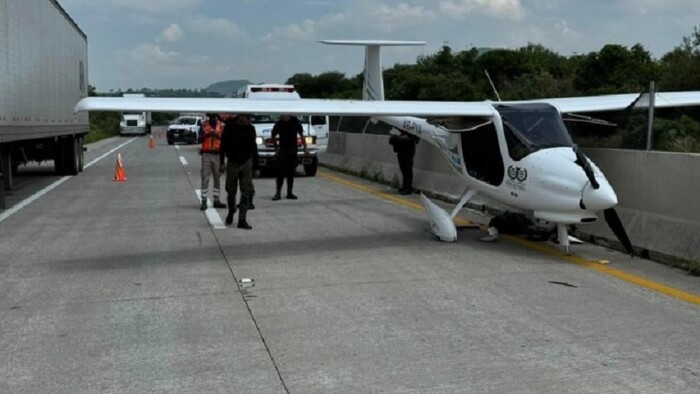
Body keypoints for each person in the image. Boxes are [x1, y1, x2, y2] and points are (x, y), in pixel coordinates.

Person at [219, 114, 260, 229]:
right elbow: (223, 144)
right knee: (231, 190)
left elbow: (254, 147)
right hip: (233, 162)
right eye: (248, 118)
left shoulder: (250, 129)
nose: (250, 120)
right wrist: (222, 162)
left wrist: (256, 166)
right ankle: (232, 210)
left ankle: (242, 219)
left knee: (245, 191)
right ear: (241, 117)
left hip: (246, 162)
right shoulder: (230, 126)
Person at [270, 115, 307, 200]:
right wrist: (276, 148)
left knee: (291, 173)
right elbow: (273, 135)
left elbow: (301, 135)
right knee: (280, 173)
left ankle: (289, 193)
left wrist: (305, 148)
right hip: (283, 151)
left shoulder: (295, 122)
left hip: (293, 151)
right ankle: (278, 193)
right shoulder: (279, 123)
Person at [199, 113, 226, 210]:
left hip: (218, 154)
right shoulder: (203, 125)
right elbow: (199, 139)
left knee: (217, 178)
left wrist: (217, 136)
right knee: (205, 178)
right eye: (211, 117)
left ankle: (217, 200)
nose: (212, 118)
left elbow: (225, 140)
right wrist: (207, 135)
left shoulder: (222, 126)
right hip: (206, 154)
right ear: (208, 117)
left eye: (214, 117)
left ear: (217, 117)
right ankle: (204, 201)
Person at [389, 129, 419, 195]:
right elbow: (392, 138)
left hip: (408, 150)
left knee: (407, 169)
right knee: (403, 169)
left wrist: (402, 138)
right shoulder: (398, 127)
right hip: (400, 149)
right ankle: (405, 186)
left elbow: (415, 138)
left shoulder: (411, 129)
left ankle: (408, 188)